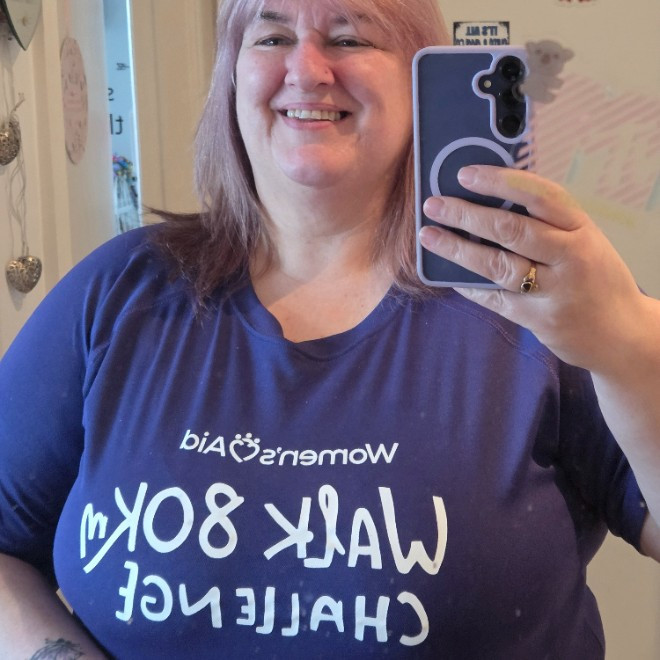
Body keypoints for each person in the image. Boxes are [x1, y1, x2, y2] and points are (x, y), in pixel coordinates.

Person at [0, 0, 658, 657]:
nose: (307, 69)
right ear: (232, 73)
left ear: (420, 79)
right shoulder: (119, 293)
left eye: (350, 39)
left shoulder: (539, 306)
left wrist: (627, 340)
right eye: (272, 37)